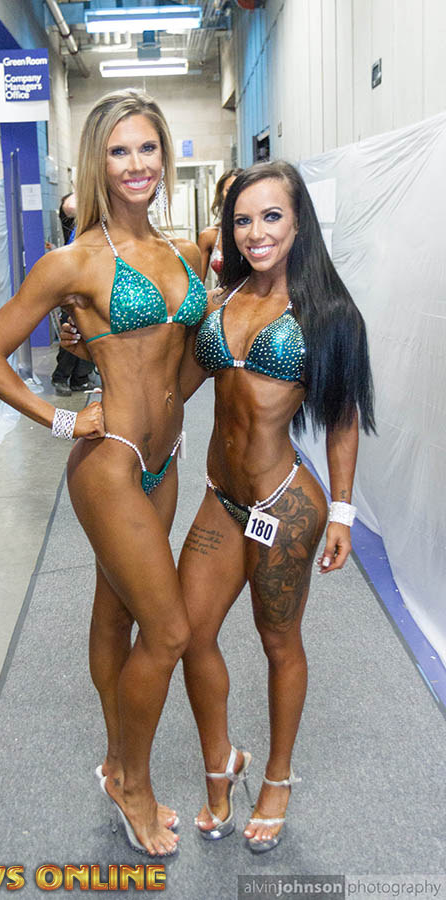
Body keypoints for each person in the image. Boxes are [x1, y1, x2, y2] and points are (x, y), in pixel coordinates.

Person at [0, 88, 207, 857]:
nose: (136, 164)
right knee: (168, 630)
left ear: (164, 156)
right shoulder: (72, 262)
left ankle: (113, 759)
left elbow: (186, 362)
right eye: (119, 150)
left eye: (147, 148)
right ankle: (133, 783)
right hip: (111, 465)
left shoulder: (185, 254)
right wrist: (65, 419)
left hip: (166, 462)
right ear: (97, 163)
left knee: (117, 615)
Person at [177, 161, 375, 854]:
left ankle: (278, 777)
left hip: (284, 505)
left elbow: (342, 417)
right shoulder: (223, 298)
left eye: (271, 217)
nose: (255, 233)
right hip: (220, 499)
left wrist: (342, 512)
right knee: (187, 634)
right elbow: (178, 382)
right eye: (242, 219)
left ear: (298, 223)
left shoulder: (328, 314)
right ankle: (221, 760)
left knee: (278, 641)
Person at [51, 193, 96, 396]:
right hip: (75, 284)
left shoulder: (101, 227)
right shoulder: (72, 220)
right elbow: (70, 206)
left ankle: (80, 379)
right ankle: (60, 377)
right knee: (72, 332)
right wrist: (88, 190)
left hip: (94, 283)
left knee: (92, 334)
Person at [197, 169, 241, 281]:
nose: (234, 195)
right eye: (229, 190)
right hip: (222, 291)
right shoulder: (209, 236)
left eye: (240, 190)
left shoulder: (258, 234)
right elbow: (197, 286)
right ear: (221, 194)